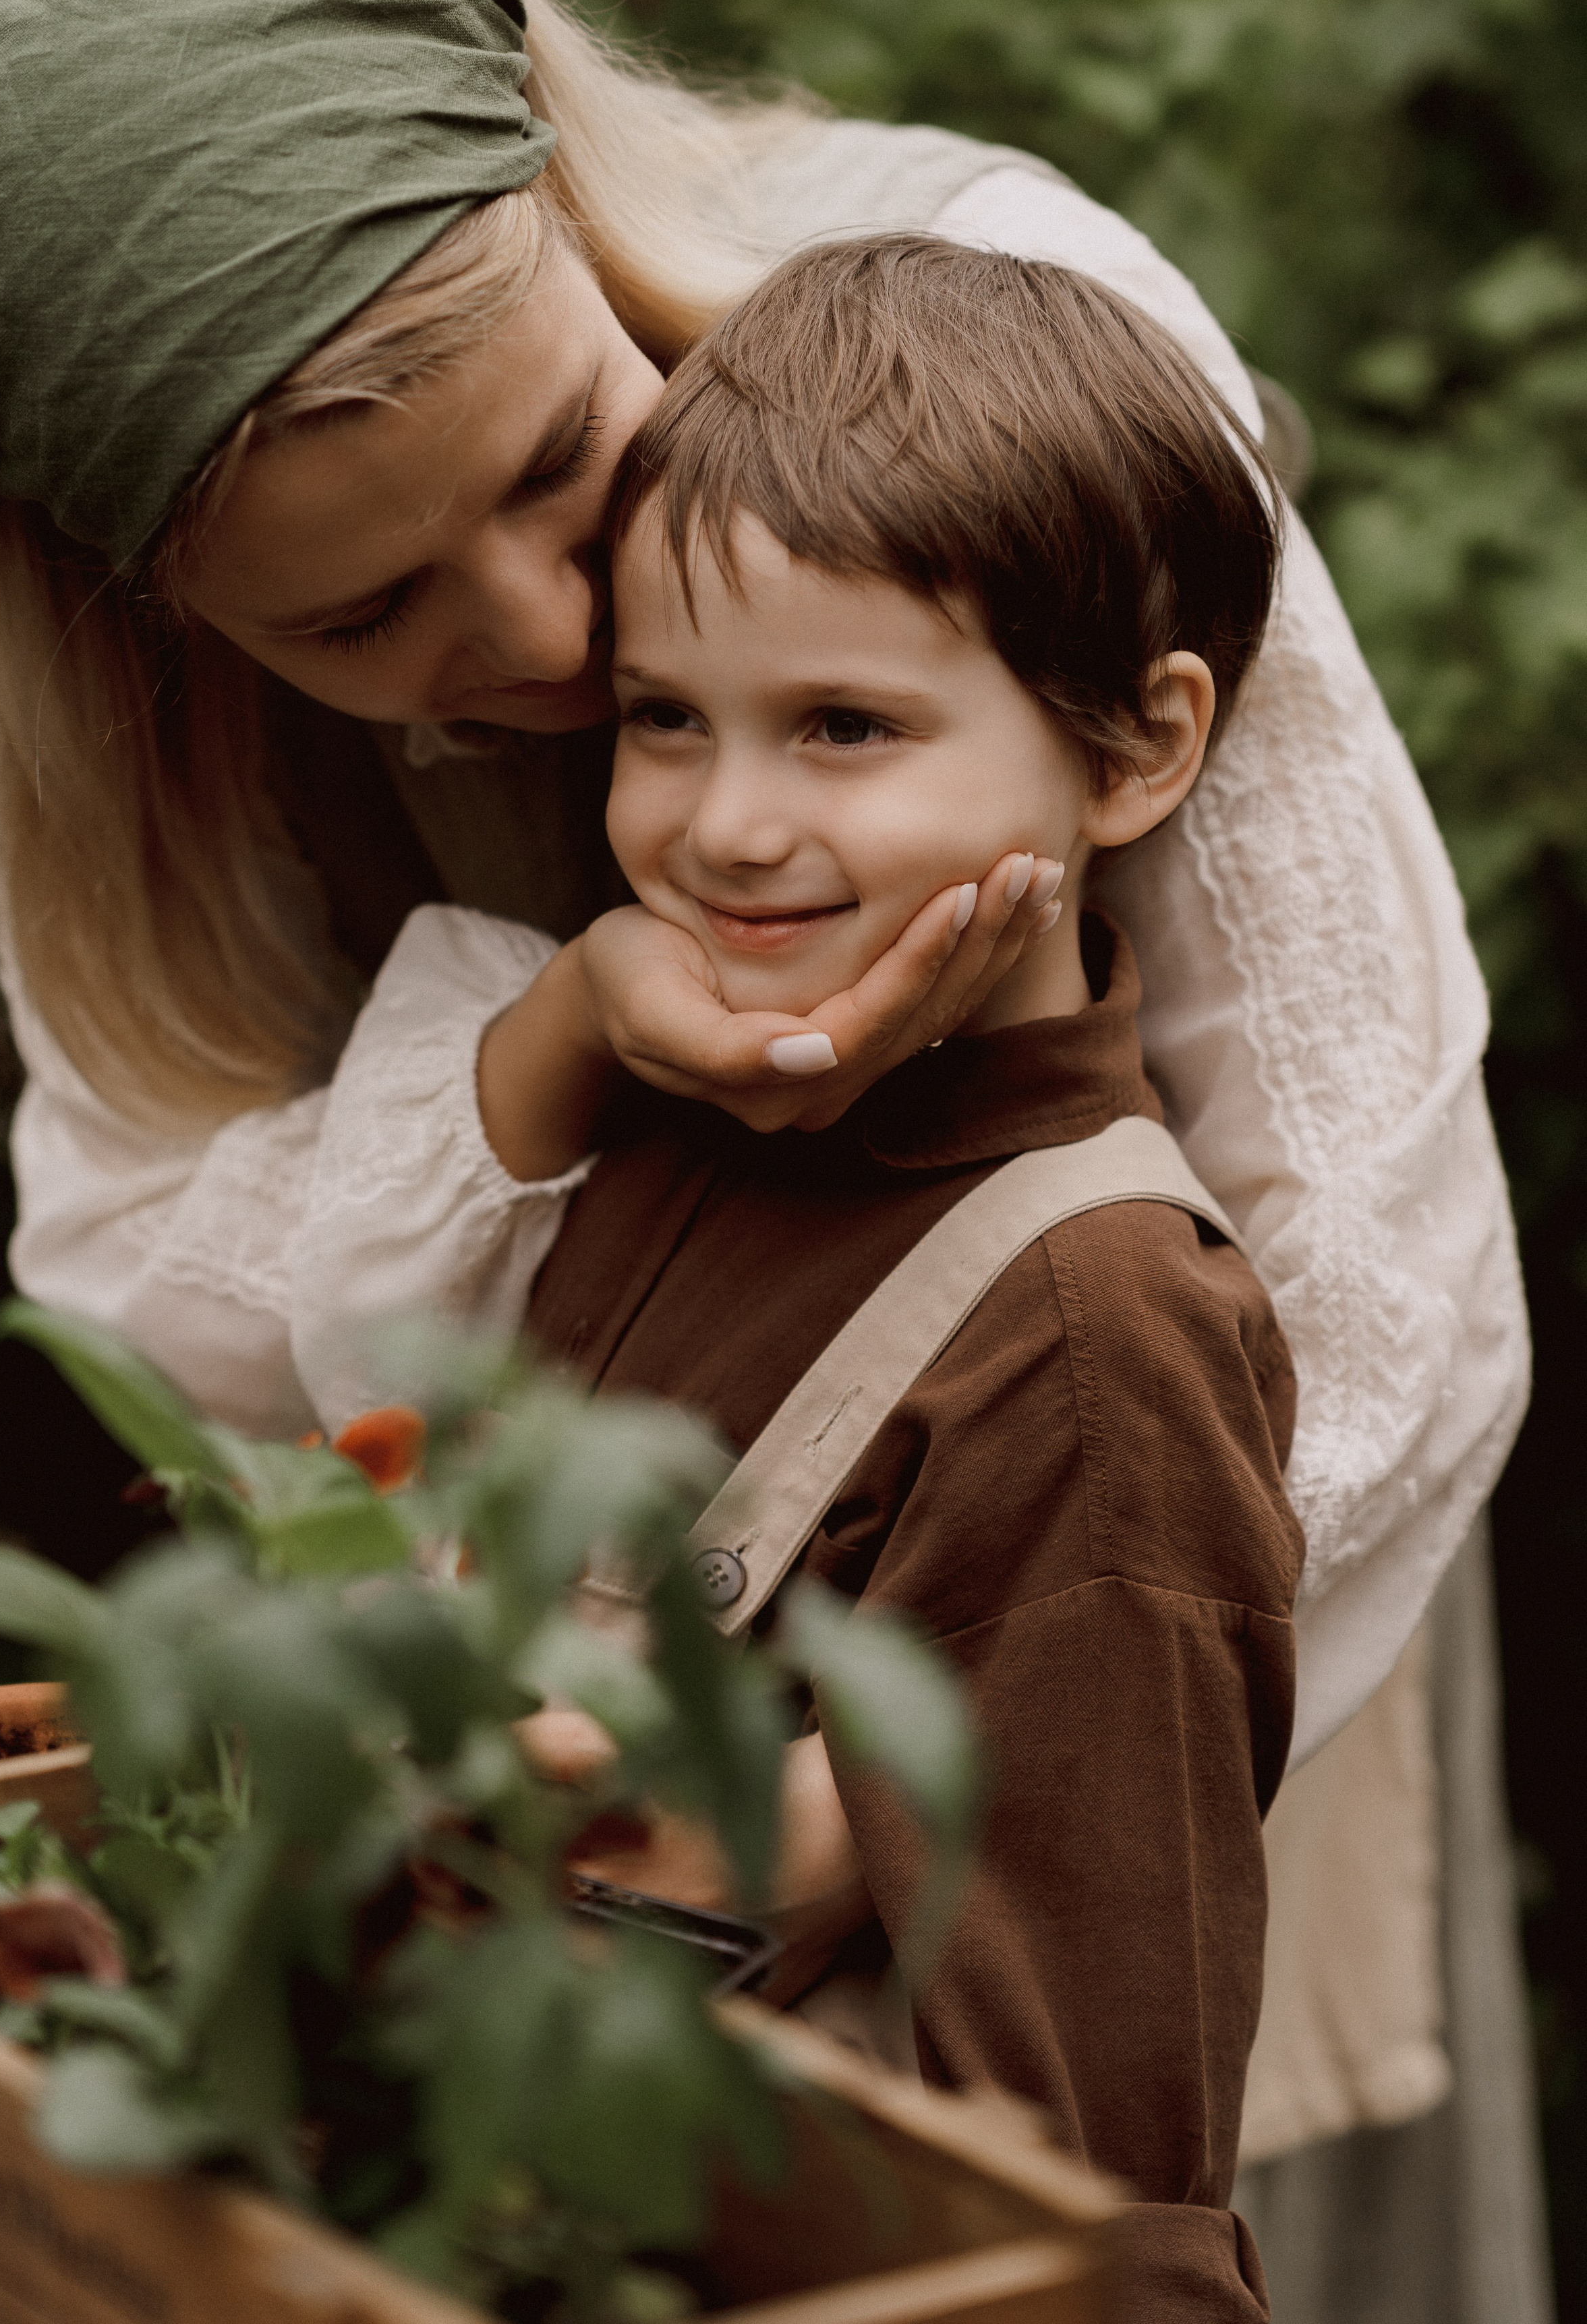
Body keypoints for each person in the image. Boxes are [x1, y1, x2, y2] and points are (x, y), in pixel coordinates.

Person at [0, 0, 1524, 1774]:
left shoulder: (1017, 353)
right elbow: (153, 1298)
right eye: (359, 622)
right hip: (573, 1739)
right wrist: (539, 1054)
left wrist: (888, 1764)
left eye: (566, 457)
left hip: (1170, 1626)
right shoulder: (81, 632)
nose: (559, 639)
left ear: (575, 217)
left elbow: (1373, 1253)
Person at [505, 233, 1303, 2323]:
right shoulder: (688, 1105)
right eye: (664, 719)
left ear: (1138, 750)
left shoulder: (1099, 1327)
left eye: (845, 725)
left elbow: (1097, 2183)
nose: (725, 826)